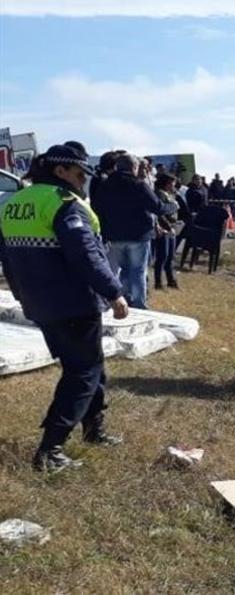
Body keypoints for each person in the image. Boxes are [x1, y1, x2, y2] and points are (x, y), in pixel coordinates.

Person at [0, 144, 131, 472]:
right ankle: (50, 450)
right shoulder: (64, 205)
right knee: (82, 373)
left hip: (38, 302)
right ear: (61, 172)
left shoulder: (13, 204)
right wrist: (114, 292)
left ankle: (94, 429)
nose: (83, 181)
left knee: (91, 364)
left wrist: (20, 294)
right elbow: (86, 254)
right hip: (72, 302)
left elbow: (7, 256)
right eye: (79, 173)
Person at [91, 152, 178, 309]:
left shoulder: (105, 184)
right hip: (138, 235)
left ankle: (124, 300)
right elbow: (157, 207)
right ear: (135, 167)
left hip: (114, 235)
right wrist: (173, 206)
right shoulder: (138, 184)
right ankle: (139, 304)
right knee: (138, 271)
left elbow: (97, 208)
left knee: (123, 270)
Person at [152, 173, 181, 290]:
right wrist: (168, 227)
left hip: (172, 226)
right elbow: (160, 213)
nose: (173, 185)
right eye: (171, 183)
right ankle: (158, 282)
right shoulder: (159, 194)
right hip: (164, 228)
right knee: (162, 256)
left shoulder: (170, 194)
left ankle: (171, 280)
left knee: (170, 256)